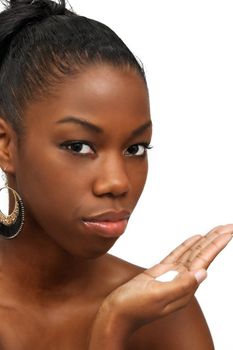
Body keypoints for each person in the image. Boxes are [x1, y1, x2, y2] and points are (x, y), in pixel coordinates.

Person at [0, 0, 232, 349]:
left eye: (135, 148)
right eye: (79, 146)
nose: (118, 182)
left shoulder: (163, 313)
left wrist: (114, 321)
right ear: (6, 145)